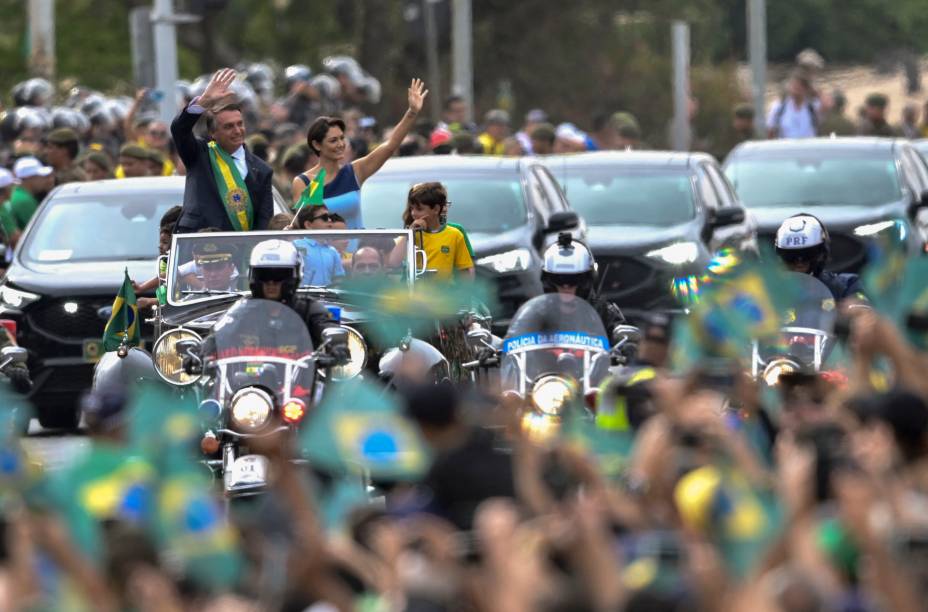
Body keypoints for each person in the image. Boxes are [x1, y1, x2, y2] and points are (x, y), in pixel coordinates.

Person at [291, 78, 429, 229]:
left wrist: (412, 112)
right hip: (321, 252)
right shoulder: (303, 183)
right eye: (333, 140)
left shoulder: (354, 172)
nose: (341, 145)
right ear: (317, 145)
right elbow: (302, 226)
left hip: (358, 252)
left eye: (342, 138)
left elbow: (390, 146)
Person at [171, 68, 274, 233]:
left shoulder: (262, 170)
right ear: (213, 133)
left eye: (239, 124)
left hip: (239, 250)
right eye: (228, 126)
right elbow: (179, 129)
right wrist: (202, 103)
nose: (237, 130)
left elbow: (264, 220)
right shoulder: (199, 155)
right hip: (198, 245)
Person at [247, 239, 346, 351]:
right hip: (250, 368)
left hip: (300, 368)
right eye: (264, 275)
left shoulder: (308, 309)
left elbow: (326, 325)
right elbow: (225, 333)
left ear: (293, 276)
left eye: (279, 276)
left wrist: (338, 345)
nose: (271, 282)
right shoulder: (244, 311)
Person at [541, 232, 625, 336]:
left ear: (586, 280)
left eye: (573, 279)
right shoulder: (536, 314)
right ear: (547, 281)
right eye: (559, 278)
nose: (566, 286)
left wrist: (626, 345)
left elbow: (625, 342)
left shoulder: (605, 314)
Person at [388, 182, 474, 281]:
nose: (413, 213)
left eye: (419, 209)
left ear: (436, 209)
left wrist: (461, 293)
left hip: (443, 294)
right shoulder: (410, 234)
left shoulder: (454, 234)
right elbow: (393, 262)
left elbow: (465, 272)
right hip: (414, 294)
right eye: (412, 209)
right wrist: (410, 234)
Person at [774, 213, 864, 301]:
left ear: (821, 254)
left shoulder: (847, 286)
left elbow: (862, 310)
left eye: (807, 254)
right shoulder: (765, 290)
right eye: (790, 255)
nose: (799, 262)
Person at [290, 205, 345, 286]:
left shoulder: (332, 251)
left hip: (327, 297)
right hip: (301, 297)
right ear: (308, 225)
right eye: (325, 217)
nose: (330, 220)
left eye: (330, 217)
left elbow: (339, 280)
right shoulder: (295, 246)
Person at [766, 72, 819, 139]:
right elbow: (770, 131)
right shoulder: (778, 107)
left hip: (808, 147)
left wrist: (814, 91)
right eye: (794, 85)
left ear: (806, 89)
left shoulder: (813, 107)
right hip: (785, 147)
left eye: (800, 86)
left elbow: (828, 103)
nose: (796, 89)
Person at [7, 156, 53, 232]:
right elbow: (41, 230)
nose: (44, 180)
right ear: (30, 178)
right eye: (40, 177)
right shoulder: (24, 200)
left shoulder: (18, 194)